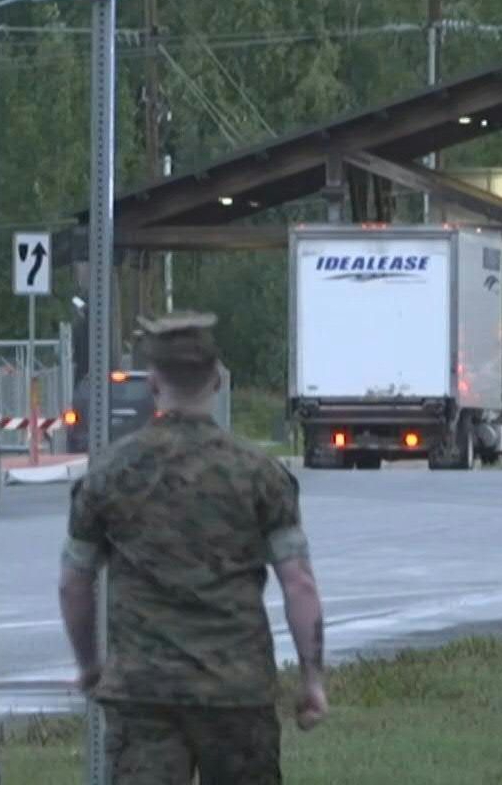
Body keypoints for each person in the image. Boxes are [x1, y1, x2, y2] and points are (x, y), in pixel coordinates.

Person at [58, 313, 328, 783]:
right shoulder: (259, 473)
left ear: (153, 383)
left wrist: (89, 667)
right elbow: (299, 584)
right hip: (237, 690)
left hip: (143, 691)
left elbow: (74, 582)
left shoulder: (110, 473)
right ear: (218, 380)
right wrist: (311, 680)